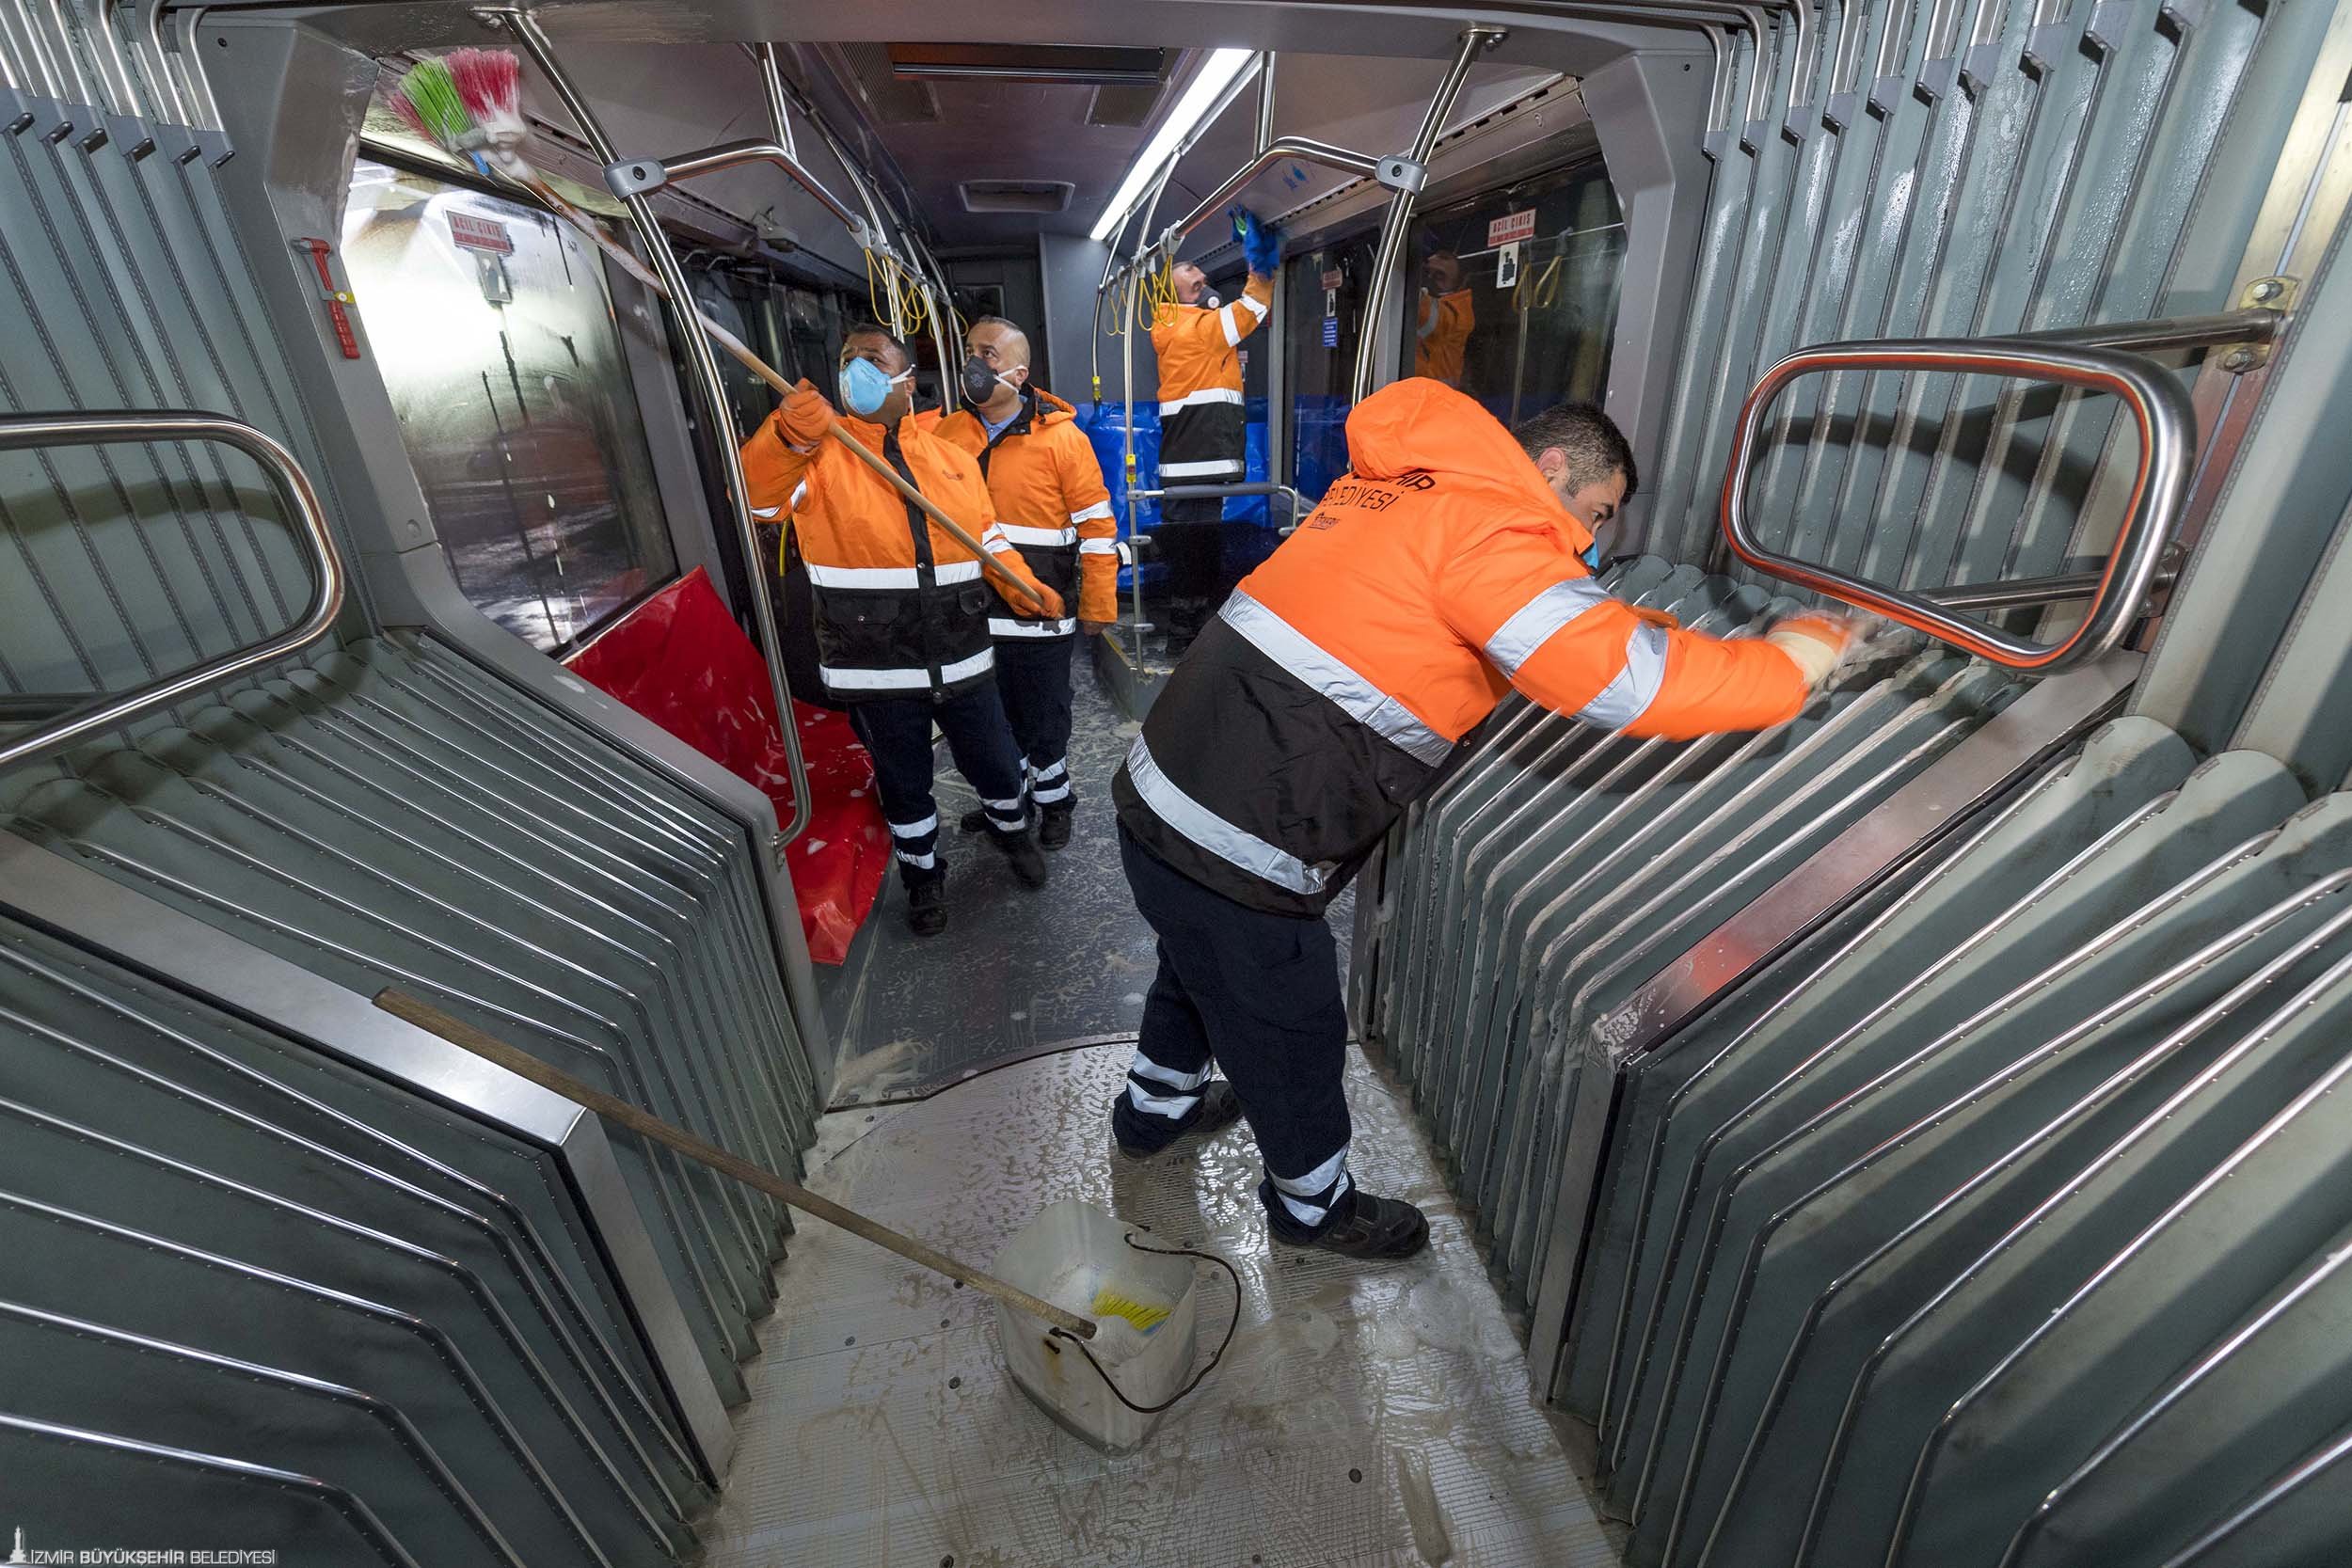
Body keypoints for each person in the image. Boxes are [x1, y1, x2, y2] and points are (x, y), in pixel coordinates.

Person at [1106, 384, 1864, 1259]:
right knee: (1289, 1023)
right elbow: (1622, 678)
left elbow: (1566, 623)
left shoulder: (1405, 488)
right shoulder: (1493, 522)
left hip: (1167, 791)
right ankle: (1313, 1207)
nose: (1590, 538)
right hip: (1239, 828)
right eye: (1596, 509)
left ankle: (1153, 1111)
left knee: (1198, 959)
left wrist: (1651, 625)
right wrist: (1787, 666)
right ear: (1550, 468)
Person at [740, 323, 1064, 937]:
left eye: (870, 358)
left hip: (964, 656)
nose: (854, 370)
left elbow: (986, 536)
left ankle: (1012, 832)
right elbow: (758, 502)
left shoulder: (951, 457)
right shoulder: (820, 453)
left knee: (998, 763)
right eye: (846, 359)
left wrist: (1022, 583)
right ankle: (923, 877)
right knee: (905, 783)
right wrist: (782, 438)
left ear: (905, 380)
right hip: (875, 666)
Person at [932, 316, 1119, 850]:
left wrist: (1099, 603)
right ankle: (1006, 804)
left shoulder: (1063, 439)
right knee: (990, 719)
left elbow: (1098, 529)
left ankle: (1053, 800)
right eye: (970, 350)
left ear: (1019, 371)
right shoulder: (946, 434)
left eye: (988, 354)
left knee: (1043, 714)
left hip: (1039, 605)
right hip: (967, 609)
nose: (975, 363)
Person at [1150, 209, 1281, 641]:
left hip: (1191, 458)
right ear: (1166, 284)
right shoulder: (1191, 329)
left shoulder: (1179, 326)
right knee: (1195, 551)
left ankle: (1191, 625)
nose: (1201, 273)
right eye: (1190, 267)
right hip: (1198, 459)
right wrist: (1259, 266)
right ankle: (1187, 632)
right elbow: (1251, 310)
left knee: (1195, 549)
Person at [1414, 250, 1475, 387]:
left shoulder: (1459, 311)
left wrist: (1409, 283)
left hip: (1434, 396)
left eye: (1444, 258)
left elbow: (1433, 320)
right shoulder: (1443, 302)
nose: (1431, 260)